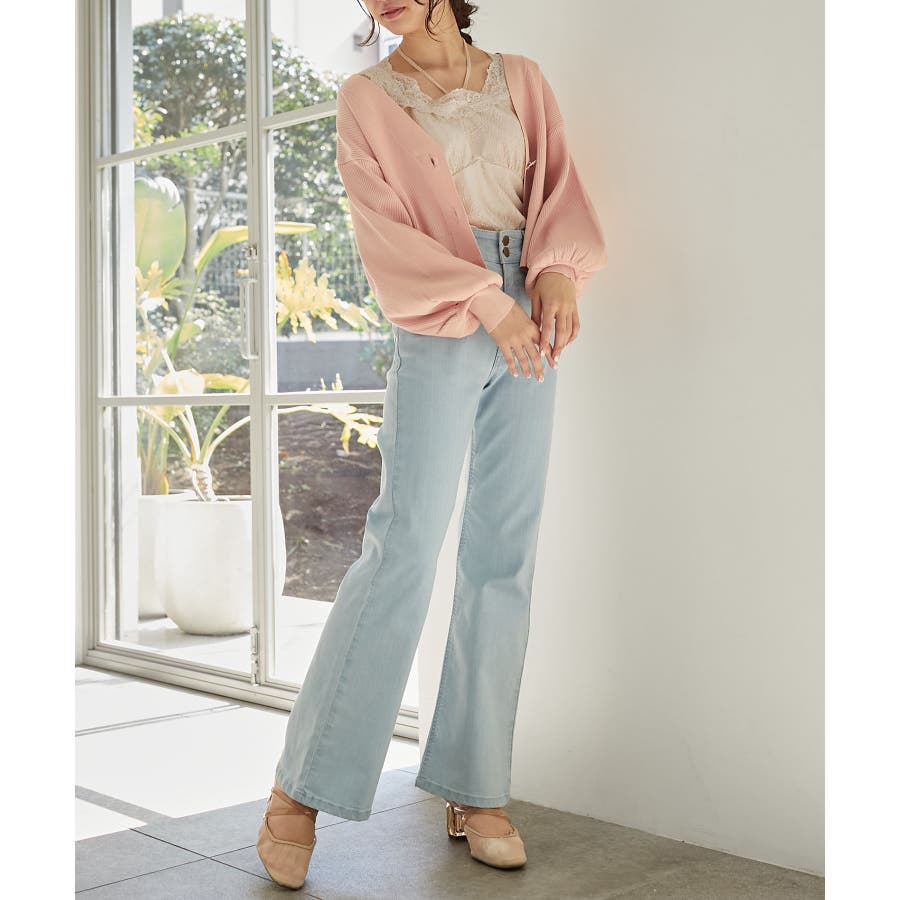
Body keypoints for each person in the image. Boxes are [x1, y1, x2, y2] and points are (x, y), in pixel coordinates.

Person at [257, 0, 607, 888]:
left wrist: (555, 274)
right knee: (405, 545)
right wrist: (487, 299)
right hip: (443, 317)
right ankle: (300, 788)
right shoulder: (369, 97)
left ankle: (474, 786)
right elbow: (384, 230)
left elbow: (558, 190)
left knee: (504, 553)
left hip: (532, 312)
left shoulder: (522, 80)